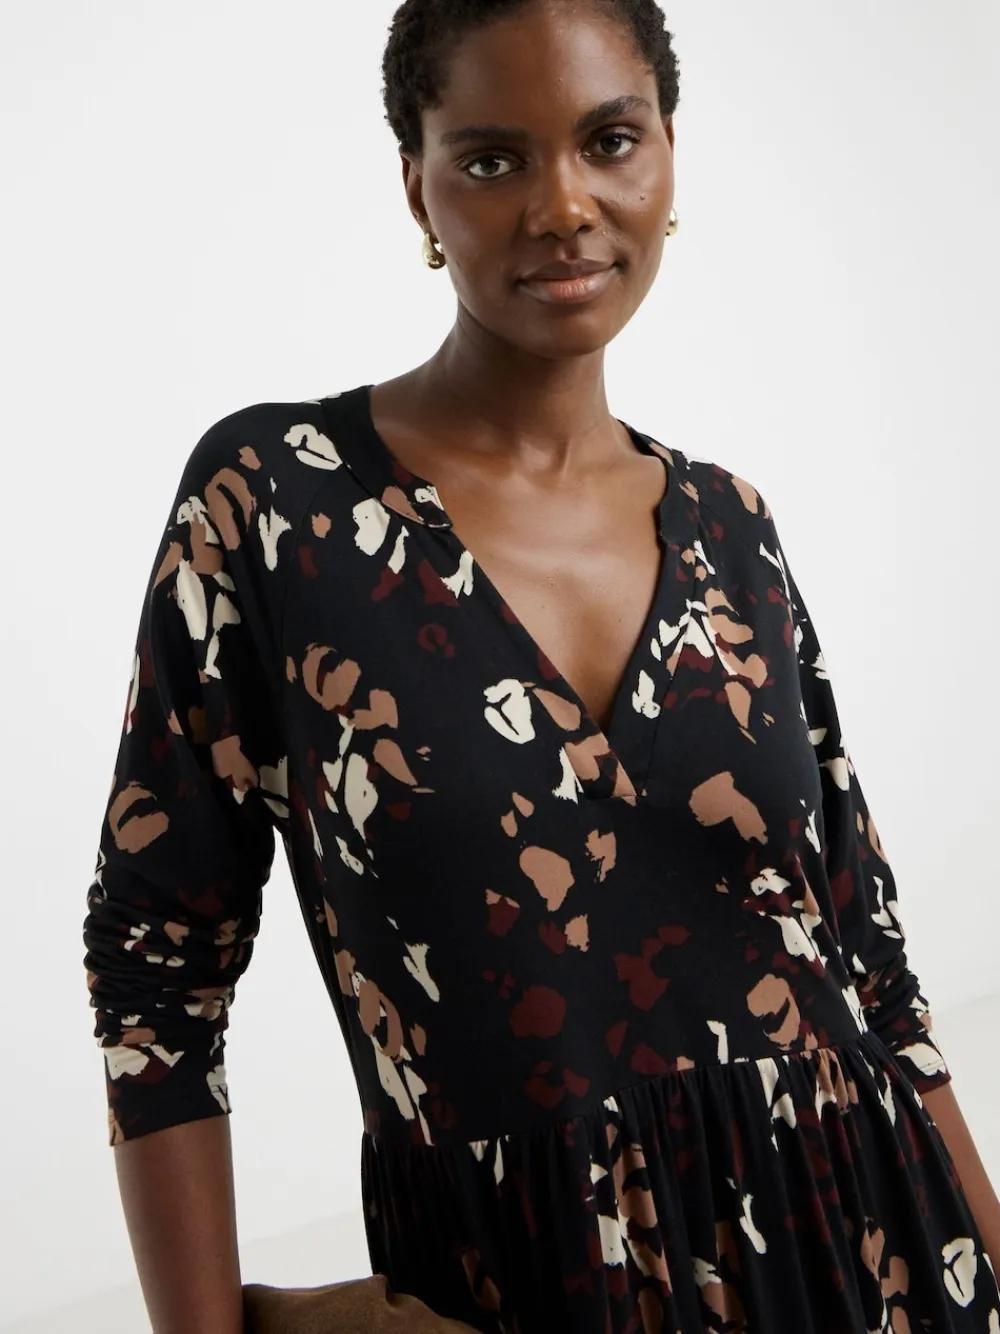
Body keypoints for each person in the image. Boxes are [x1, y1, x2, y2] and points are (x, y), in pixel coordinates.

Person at [82, 1, 1000, 1331]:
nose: (564, 206)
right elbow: (155, 967)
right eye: (493, 158)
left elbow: (866, 954)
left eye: (609, 141)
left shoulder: (732, 524)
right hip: (529, 1277)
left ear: (668, 156)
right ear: (419, 186)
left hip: (869, 1255)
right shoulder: (276, 504)